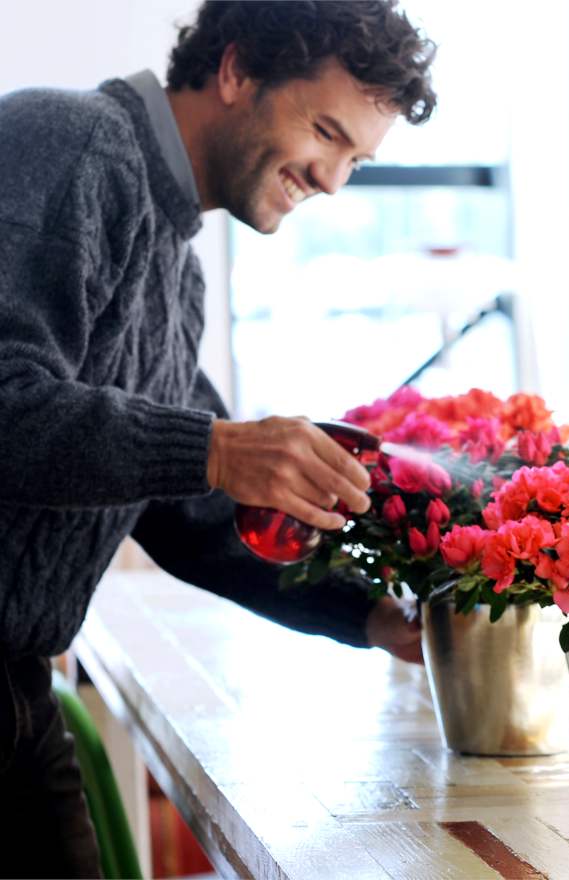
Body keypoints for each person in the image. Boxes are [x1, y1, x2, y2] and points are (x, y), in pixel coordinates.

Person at [0, 1, 436, 875]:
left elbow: (192, 514)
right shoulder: (65, 144)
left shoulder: (175, 270)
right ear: (236, 72)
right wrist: (217, 447)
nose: (333, 179)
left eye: (356, 158)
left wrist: (371, 616)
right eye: (324, 132)